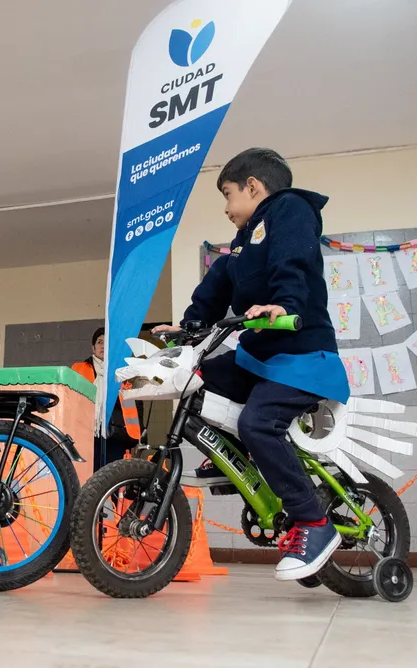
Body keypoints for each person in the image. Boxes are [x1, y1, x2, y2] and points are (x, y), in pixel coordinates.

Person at [154, 148, 349, 582]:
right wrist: (189, 330)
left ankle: (315, 523)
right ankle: (233, 457)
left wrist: (284, 304)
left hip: (303, 355)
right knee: (196, 377)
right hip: (262, 358)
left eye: (228, 194)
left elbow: (292, 260)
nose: (226, 207)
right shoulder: (243, 247)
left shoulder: (290, 209)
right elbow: (220, 279)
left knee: (259, 422)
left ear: (254, 187)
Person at [71, 327, 141, 471]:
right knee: (88, 477)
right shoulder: (79, 368)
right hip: (87, 433)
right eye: (99, 342)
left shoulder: (123, 372)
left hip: (115, 434)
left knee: (112, 478)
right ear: (93, 347)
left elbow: (135, 403)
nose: (102, 345)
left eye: (106, 343)